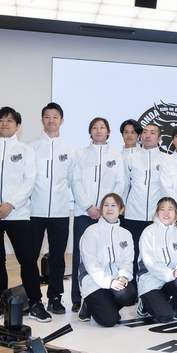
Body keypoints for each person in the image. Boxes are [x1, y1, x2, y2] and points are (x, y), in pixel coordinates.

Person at [0, 106, 51, 322]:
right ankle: (1, 303)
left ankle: (36, 304)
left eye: (10, 120)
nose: (5, 123)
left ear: (18, 126)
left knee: (27, 260)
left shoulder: (26, 150)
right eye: (1, 120)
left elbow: (29, 181)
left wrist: (10, 205)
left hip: (18, 214)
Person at [71, 117, 125, 312]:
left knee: (105, 255)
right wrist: (88, 206)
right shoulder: (80, 154)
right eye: (95, 127)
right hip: (84, 213)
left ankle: (103, 294)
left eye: (102, 127)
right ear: (90, 132)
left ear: (108, 132)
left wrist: (105, 208)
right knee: (80, 255)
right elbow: (75, 182)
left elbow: (120, 183)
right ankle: (78, 297)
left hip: (107, 215)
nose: (98, 130)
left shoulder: (116, 156)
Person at [28, 102, 75, 315]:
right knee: (30, 257)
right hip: (33, 212)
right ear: (42, 120)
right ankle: (33, 298)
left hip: (59, 213)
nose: (51, 120)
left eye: (55, 117)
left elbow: (72, 182)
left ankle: (55, 297)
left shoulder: (69, 151)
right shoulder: (30, 148)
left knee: (57, 257)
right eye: (47, 116)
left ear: (61, 121)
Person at [77, 193, 136, 326]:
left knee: (129, 293)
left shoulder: (126, 234)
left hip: (115, 279)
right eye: (106, 205)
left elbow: (127, 261)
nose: (109, 208)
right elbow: (91, 265)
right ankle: (88, 304)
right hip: (93, 281)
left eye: (114, 205)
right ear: (101, 209)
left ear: (121, 210)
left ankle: (103, 305)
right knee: (110, 320)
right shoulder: (91, 232)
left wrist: (123, 277)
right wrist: (109, 282)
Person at [124, 123, 169, 285]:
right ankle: (133, 288)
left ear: (160, 138)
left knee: (156, 254)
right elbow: (125, 185)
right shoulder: (131, 159)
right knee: (133, 253)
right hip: (133, 214)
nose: (148, 135)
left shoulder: (167, 159)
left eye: (152, 133)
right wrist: (122, 205)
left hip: (156, 216)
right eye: (145, 132)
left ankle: (155, 288)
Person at [136, 197, 177, 322]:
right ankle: (145, 302)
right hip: (150, 281)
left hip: (169, 280)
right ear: (157, 212)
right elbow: (150, 263)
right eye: (162, 209)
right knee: (165, 316)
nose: (166, 213)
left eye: (170, 209)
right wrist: (171, 273)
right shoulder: (148, 233)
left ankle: (175, 305)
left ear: (175, 213)